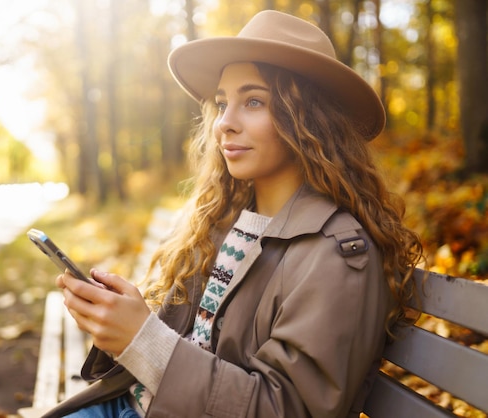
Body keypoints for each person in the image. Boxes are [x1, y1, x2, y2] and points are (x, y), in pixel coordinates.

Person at [43, 10, 423, 418]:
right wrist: (123, 320)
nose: (225, 122)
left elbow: (287, 408)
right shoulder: (224, 221)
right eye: (223, 103)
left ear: (309, 120)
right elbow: (193, 343)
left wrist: (143, 339)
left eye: (253, 101)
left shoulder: (337, 254)